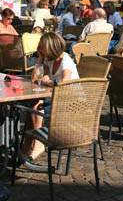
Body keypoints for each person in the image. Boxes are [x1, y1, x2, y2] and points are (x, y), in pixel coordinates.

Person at [20, 32, 79, 170]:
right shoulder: (48, 60)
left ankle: (37, 144)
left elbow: (65, 82)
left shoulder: (66, 60)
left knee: (36, 106)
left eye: (42, 48)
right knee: (32, 105)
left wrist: (50, 82)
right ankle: (29, 146)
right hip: (56, 97)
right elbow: (35, 78)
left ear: (51, 47)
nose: (40, 49)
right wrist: (39, 60)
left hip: (71, 101)